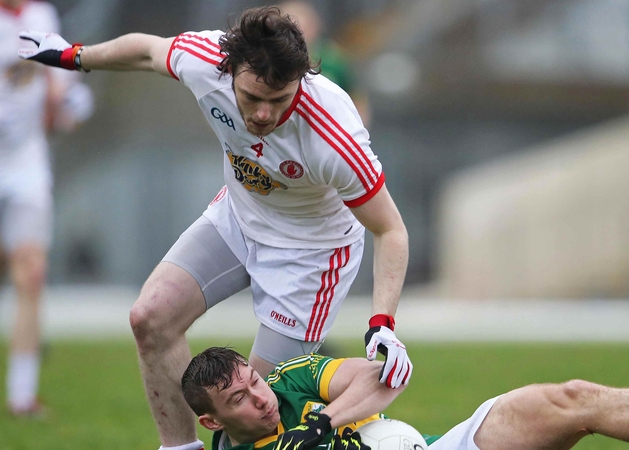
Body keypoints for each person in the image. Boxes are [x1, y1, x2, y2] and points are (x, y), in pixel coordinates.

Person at [18, 5, 411, 449]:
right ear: (229, 71)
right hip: (239, 218)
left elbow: (390, 230)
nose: (263, 114)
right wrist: (74, 56)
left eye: (279, 100)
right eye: (251, 97)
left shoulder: (333, 135)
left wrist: (383, 324)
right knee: (150, 317)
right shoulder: (205, 59)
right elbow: (147, 51)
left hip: (311, 256)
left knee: (255, 407)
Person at [182, 336, 629, 450]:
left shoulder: (289, 383)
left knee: (567, 399)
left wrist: (319, 426)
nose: (259, 398)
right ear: (212, 423)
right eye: (238, 400)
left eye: (253, 380)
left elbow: (377, 380)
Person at [2, 0, 92, 417]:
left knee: (32, 272)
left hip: (26, 163)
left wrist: (65, 102)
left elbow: (64, 89)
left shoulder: (41, 17)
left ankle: (22, 396)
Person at [278, 0, 371, 127]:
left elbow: (356, 98)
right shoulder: (270, 61)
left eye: (304, 27)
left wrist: (358, 129)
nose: (300, 33)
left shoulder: (333, 59)